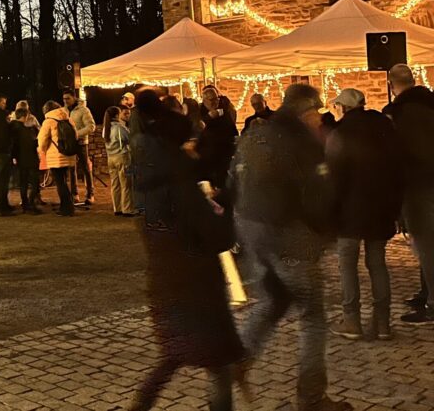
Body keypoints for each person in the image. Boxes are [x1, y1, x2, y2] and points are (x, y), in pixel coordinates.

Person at [230, 84, 350, 411]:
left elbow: (233, 184)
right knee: (313, 316)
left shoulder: (256, 135)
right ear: (303, 111)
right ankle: (312, 397)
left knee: (273, 301)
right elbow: (317, 196)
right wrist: (326, 230)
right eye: (315, 112)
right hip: (290, 239)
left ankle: (238, 360)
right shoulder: (302, 143)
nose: (318, 118)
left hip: (255, 235)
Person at [129, 85, 242, 411]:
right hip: (196, 288)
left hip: (165, 282)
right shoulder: (180, 184)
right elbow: (217, 237)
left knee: (172, 357)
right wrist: (226, 202)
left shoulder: (147, 176)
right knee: (218, 362)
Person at [325, 89, 403, 341]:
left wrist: (330, 211)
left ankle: (352, 321)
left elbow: (334, 177)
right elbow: (397, 169)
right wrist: (395, 207)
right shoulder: (384, 127)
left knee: (347, 266)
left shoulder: (340, 133)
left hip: (350, 212)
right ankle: (383, 323)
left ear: (344, 107)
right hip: (381, 208)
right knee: (377, 264)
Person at [383, 64, 434, 324]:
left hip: (420, 187)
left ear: (392, 85)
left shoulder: (402, 113)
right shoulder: (429, 104)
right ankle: (427, 295)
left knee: (427, 248)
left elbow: (402, 156)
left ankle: (432, 304)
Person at [38, 101, 77, 217]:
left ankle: (67, 208)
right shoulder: (68, 119)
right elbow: (76, 135)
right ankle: (68, 206)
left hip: (56, 157)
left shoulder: (48, 121)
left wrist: (41, 151)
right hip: (68, 154)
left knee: (60, 183)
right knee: (64, 181)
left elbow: (42, 140)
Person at [198, 86, 237, 192]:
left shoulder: (224, 112)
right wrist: (209, 118)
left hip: (224, 157)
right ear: (204, 100)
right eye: (211, 100)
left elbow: (232, 131)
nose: (215, 102)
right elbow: (198, 130)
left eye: (216, 99)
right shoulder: (199, 113)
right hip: (207, 159)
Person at [63, 89, 95, 207]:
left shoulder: (83, 110)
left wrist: (77, 134)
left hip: (81, 143)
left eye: (68, 98)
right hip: (70, 144)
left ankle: (90, 194)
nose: (65, 101)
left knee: (86, 168)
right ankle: (74, 194)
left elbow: (91, 126)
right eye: (64, 99)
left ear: (74, 98)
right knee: (71, 169)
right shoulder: (64, 111)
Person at [104, 106, 135, 217]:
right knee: (126, 184)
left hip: (110, 157)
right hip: (122, 157)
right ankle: (127, 209)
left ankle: (117, 208)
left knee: (115, 184)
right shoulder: (119, 128)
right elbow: (130, 139)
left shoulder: (106, 128)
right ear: (117, 115)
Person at [10, 106, 41, 215]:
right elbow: (32, 144)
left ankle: (25, 204)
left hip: (20, 159)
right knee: (35, 182)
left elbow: (14, 146)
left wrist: (14, 157)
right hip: (30, 158)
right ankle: (30, 204)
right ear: (25, 116)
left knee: (23, 183)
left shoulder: (12, 129)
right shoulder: (26, 130)